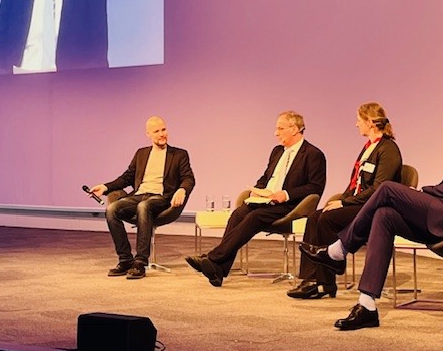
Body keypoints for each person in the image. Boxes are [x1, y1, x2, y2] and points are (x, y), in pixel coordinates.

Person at [301, 85, 443, 330]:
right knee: (385, 214)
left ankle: (339, 250)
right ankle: (366, 305)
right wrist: (430, 193)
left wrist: (424, 193)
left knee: (387, 189)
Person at [185, 110, 326, 287]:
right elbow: (266, 177)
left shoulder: (313, 154)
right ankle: (218, 270)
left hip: (290, 205)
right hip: (267, 200)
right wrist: (258, 190)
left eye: (280, 128)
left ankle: (213, 259)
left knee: (254, 217)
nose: (276, 133)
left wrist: (286, 194)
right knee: (238, 214)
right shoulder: (277, 151)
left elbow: (315, 187)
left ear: (295, 129)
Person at [287, 102, 402, 300]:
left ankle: (328, 275)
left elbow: (378, 188)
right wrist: (342, 199)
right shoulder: (368, 148)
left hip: (374, 207)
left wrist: (345, 203)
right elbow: (355, 184)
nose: (356, 125)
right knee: (315, 217)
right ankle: (313, 280)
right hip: (359, 203)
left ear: (369, 122)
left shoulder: (388, 149)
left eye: (359, 120)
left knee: (327, 219)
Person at [90, 116, 195, 280]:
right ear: (148, 134)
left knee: (144, 206)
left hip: (160, 198)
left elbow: (189, 178)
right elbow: (126, 178)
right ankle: (125, 260)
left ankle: (140, 262)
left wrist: (182, 189)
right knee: (112, 209)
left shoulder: (179, 154)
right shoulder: (141, 153)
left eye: (164, 129)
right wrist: (105, 187)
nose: (162, 134)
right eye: (157, 131)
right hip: (139, 195)